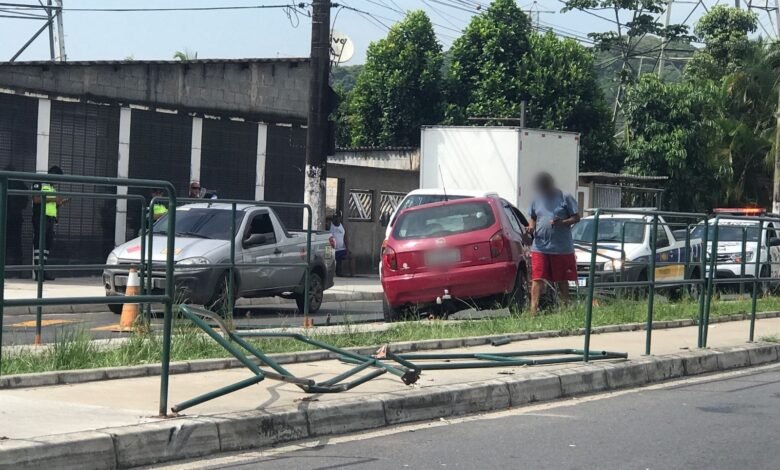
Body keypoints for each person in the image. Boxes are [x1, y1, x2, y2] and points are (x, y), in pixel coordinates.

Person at [527, 172, 580, 314]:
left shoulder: (565, 197)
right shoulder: (536, 199)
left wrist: (562, 222)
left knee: (562, 279)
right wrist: (531, 227)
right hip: (540, 246)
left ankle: (564, 308)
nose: (543, 191)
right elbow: (532, 217)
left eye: (545, 187)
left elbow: (576, 217)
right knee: (537, 278)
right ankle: (533, 311)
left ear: (551, 184)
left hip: (561, 248)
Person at [31, 166, 68, 281]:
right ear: (52, 174)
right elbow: (36, 200)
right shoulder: (39, 183)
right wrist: (53, 199)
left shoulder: (52, 188)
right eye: (56, 178)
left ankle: (43, 270)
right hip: (40, 218)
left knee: (47, 245)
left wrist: (59, 203)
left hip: (50, 219)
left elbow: (51, 204)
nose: (57, 182)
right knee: (39, 245)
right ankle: (38, 273)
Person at [5, 165, 28, 279]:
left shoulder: (3, 181)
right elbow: (25, 201)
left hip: (4, 218)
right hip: (15, 218)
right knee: (16, 245)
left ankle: (5, 271)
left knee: (4, 244)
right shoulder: (20, 183)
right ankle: (18, 271)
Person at [329, 212, 350, 277]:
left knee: (352, 257)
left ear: (340, 218)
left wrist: (347, 249)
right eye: (335, 217)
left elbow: (346, 239)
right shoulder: (329, 226)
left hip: (341, 249)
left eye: (338, 217)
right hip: (332, 249)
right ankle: (333, 273)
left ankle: (352, 274)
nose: (336, 219)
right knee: (333, 259)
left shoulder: (342, 227)